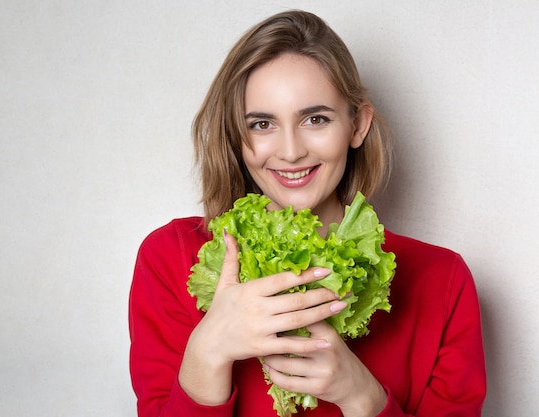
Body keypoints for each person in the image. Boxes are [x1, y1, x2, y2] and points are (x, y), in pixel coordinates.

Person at [128, 9, 486, 417]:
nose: (291, 151)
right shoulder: (171, 258)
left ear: (357, 125)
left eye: (315, 119)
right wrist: (207, 353)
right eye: (262, 124)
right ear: (235, 135)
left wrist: (362, 397)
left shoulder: (442, 281)